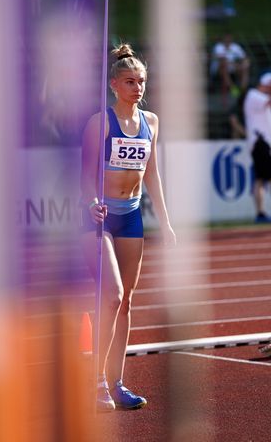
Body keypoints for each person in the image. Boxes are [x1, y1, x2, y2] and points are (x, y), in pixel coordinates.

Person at [79, 43, 176, 411]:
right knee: (113, 294)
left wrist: (164, 222)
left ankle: (116, 383)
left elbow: (151, 172)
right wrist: (90, 202)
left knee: (125, 302)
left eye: (142, 82)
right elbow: (84, 174)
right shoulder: (100, 122)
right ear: (113, 85)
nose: (138, 88)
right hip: (99, 218)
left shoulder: (151, 122)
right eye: (130, 82)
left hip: (132, 215)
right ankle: (95, 381)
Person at [243, 72, 271, 223]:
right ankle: (260, 213)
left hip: (263, 142)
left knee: (260, 178)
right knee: (262, 177)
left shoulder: (262, 98)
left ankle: (260, 213)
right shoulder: (254, 95)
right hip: (259, 142)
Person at [210, 32, 250, 101]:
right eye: (226, 38)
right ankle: (233, 89)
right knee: (224, 67)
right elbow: (222, 60)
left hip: (233, 68)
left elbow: (244, 57)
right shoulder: (218, 47)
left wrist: (245, 63)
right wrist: (237, 65)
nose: (228, 39)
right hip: (218, 70)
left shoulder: (236, 46)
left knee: (245, 68)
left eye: (229, 38)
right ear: (223, 39)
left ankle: (243, 90)